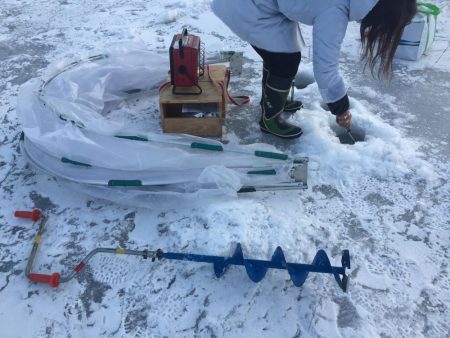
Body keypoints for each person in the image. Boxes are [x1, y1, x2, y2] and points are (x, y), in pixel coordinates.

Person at [212, 0, 417, 139]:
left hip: (265, 5)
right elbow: (325, 69)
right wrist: (341, 108)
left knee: (282, 55)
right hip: (246, 6)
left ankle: (275, 100)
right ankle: (270, 118)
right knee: (284, 60)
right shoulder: (335, 9)